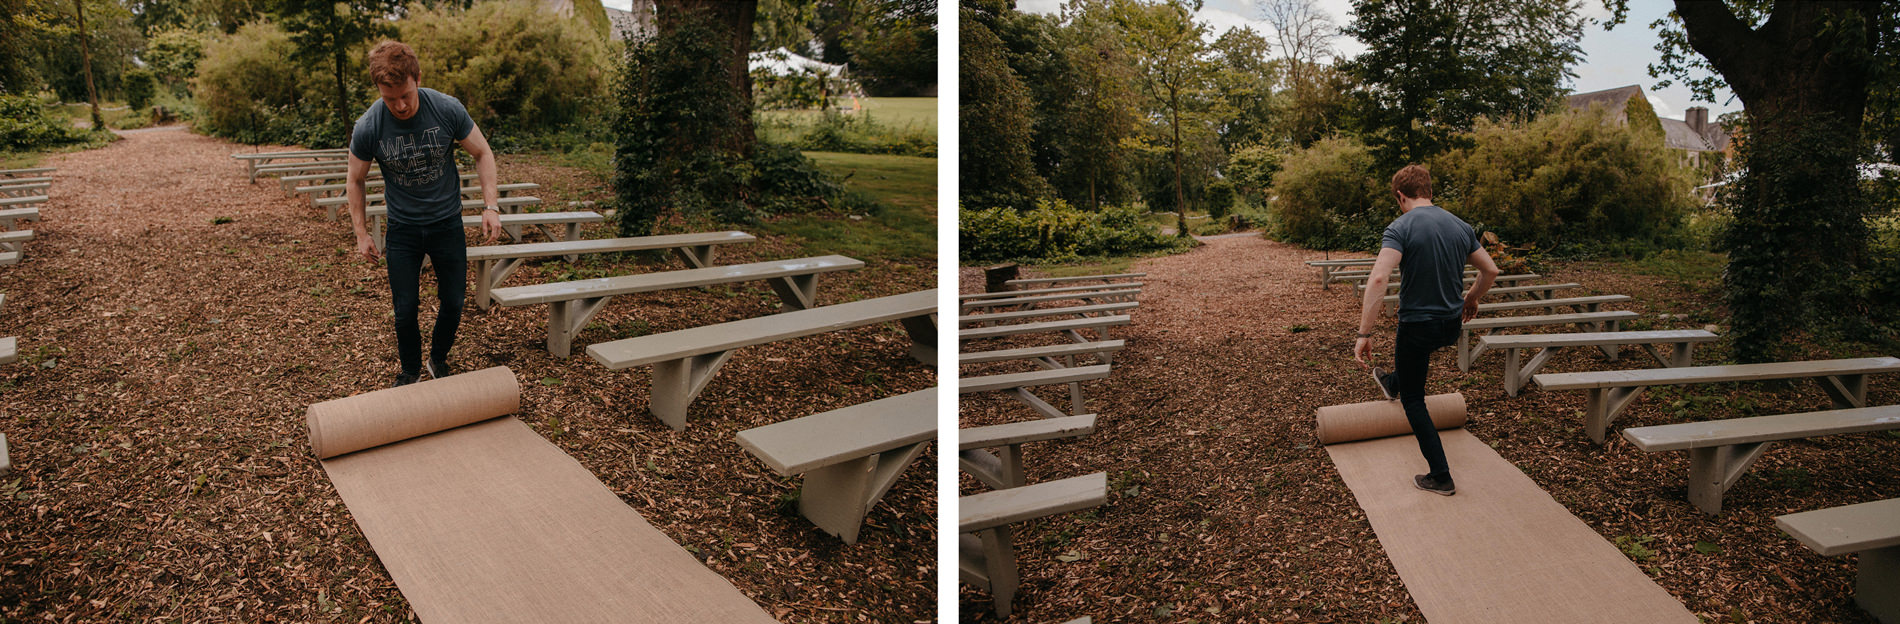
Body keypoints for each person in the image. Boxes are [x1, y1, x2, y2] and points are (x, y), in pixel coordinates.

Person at [345, 40, 503, 387]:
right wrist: (361, 233)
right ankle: (410, 370)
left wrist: (490, 206)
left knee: (453, 301)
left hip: (447, 223)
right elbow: (354, 179)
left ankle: (437, 360)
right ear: (378, 90)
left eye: (406, 95)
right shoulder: (369, 125)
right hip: (403, 229)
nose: (400, 106)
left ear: (417, 77)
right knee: (404, 310)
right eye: (390, 99)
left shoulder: (446, 109)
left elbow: (483, 153)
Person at [1351, 165, 1500, 496]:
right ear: (1430, 192)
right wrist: (1471, 299)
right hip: (1450, 326)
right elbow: (1490, 270)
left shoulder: (1400, 226)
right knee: (1408, 368)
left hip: (1418, 327)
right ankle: (1391, 381)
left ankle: (1440, 476)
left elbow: (1378, 279)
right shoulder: (1460, 226)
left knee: (1414, 399)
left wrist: (1364, 334)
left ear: (1401, 196)